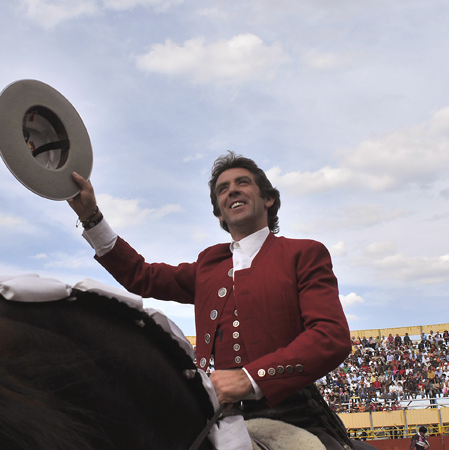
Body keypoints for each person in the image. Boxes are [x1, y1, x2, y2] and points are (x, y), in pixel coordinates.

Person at [68, 152, 354, 449]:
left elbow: (330, 337)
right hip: (211, 417)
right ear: (219, 213)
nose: (232, 190)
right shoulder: (208, 264)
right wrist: (91, 217)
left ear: (268, 199)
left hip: (291, 414)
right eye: (222, 189)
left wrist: (249, 379)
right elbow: (141, 275)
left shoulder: (303, 254)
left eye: (242, 183)